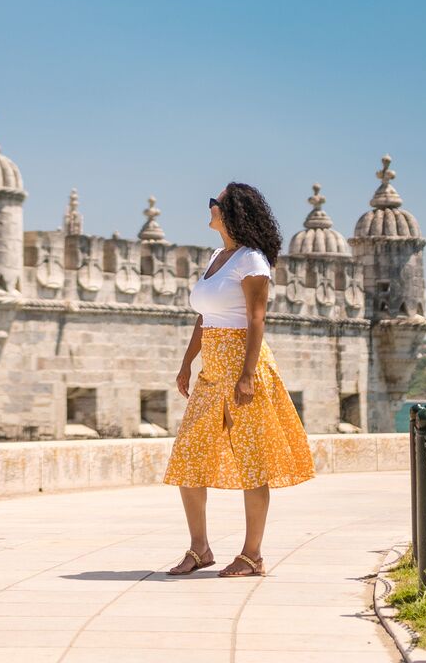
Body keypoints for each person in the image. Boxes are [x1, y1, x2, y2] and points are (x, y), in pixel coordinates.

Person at [162, 182, 317, 577]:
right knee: (189, 459)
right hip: (212, 369)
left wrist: (247, 375)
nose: (210, 207)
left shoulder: (252, 261)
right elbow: (205, 316)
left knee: (252, 461)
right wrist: (186, 363)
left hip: (243, 367)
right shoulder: (218, 257)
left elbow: (256, 319)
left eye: (216, 203)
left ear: (233, 213)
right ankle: (200, 549)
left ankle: (252, 555)